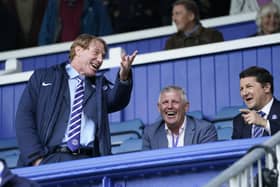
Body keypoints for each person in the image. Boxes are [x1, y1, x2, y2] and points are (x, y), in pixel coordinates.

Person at [15, 34, 137, 167]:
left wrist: (124, 75)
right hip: (50, 159)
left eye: (103, 55)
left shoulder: (99, 87)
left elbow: (116, 101)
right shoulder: (43, 77)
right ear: (78, 50)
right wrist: (36, 159)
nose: (100, 59)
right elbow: (24, 118)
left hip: (88, 162)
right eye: (96, 52)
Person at [142, 86, 217, 150]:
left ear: (186, 107)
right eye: (165, 102)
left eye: (175, 102)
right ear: (159, 108)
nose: (170, 106)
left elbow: (206, 164)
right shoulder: (150, 133)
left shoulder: (204, 130)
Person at [232, 66, 280, 139]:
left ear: (266, 87)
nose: (244, 93)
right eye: (241, 89)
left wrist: (264, 123)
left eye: (249, 87)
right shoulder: (239, 120)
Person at [38, 0, 113, 45]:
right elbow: (44, 38)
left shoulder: (95, 4)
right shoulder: (54, 4)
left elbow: (106, 37)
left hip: (87, 57)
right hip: (58, 60)